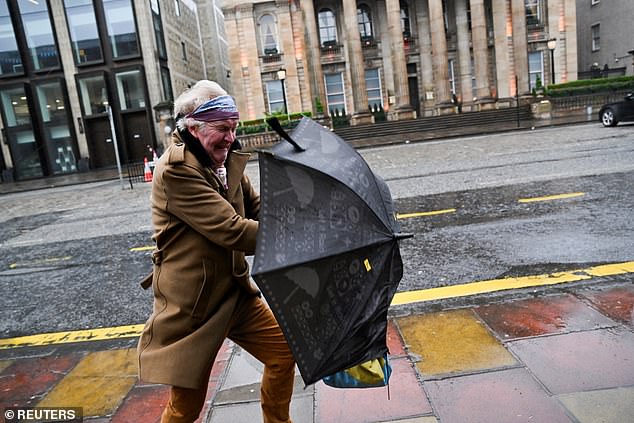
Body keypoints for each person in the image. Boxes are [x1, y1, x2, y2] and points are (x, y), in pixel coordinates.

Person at [137, 80, 295, 423]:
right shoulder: (177, 169)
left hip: (235, 295)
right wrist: (297, 237)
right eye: (223, 128)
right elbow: (232, 230)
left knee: (284, 352)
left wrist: (299, 216)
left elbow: (258, 209)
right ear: (193, 127)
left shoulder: (225, 161)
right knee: (186, 407)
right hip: (194, 306)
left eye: (234, 127)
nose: (230, 137)